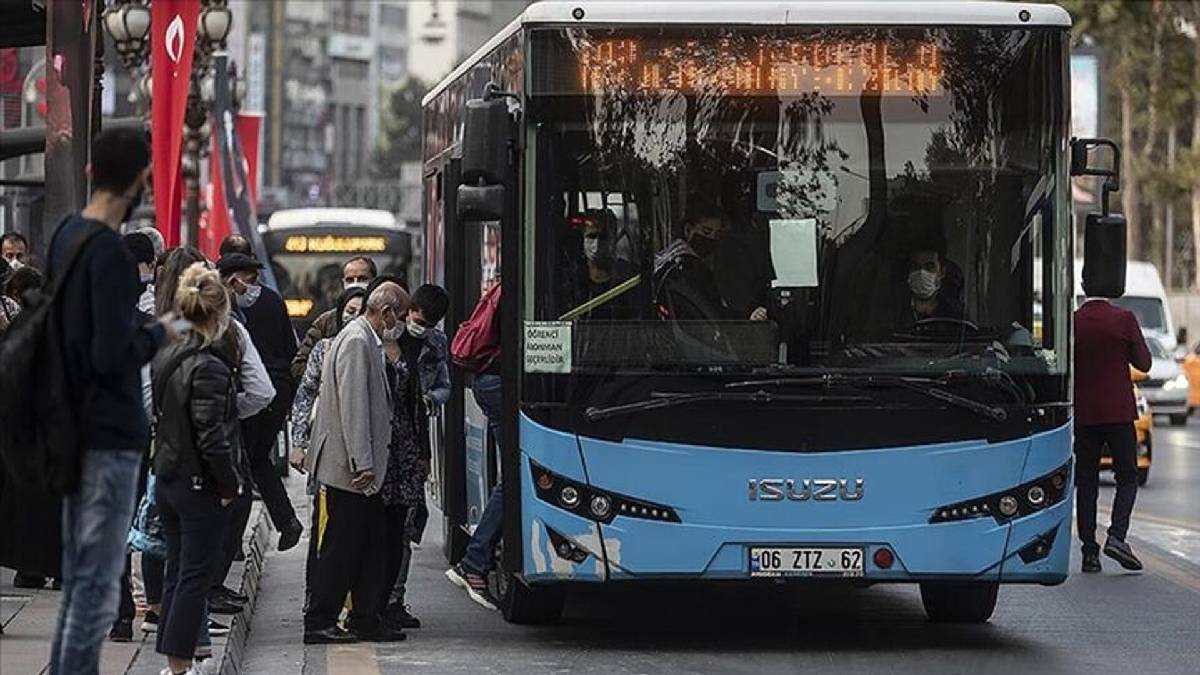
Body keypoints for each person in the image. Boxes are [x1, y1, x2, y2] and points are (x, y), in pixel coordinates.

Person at [46, 127, 176, 675]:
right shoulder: (112, 255)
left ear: (89, 171)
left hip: (70, 428)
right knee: (98, 590)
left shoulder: (65, 236)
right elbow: (111, 353)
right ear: (142, 178)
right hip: (109, 435)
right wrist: (160, 332)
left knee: (80, 584)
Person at [303, 281, 409, 645]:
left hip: (359, 468)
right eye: (400, 315)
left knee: (369, 544)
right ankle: (321, 619)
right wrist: (362, 461)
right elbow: (353, 406)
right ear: (387, 311)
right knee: (342, 546)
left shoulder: (365, 339)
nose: (401, 325)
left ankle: (365, 616)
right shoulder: (357, 341)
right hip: (351, 468)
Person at [152, 263, 243, 675]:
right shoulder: (209, 364)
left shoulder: (168, 353)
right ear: (219, 313)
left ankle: (174, 664)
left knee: (177, 571)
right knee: (193, 575)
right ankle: (180, 666)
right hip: (196, 482)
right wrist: (228, 483)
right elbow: (211, 434)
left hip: (169, 475)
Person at [216, 250, 304, 553]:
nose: (250, 286)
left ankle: (272, 527)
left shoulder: (236, 308)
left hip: (258, 393)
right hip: (272, 391)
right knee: (256, 460)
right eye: (247, 278)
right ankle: (285, 521)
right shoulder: (254, 302)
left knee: (248, 462)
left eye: (253, 279)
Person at [289, 285, 366, 609]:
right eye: (349, 312)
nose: (354, 319)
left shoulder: (379, 348)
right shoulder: (324, 348)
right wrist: (298, 444)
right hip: (328, 454)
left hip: (366, 458)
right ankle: (317, 598)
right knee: (324, 529)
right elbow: (304, 396)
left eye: (360, 313)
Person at [383, 283, 451, 627]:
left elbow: (444, 387)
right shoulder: (384, 338)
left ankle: (395, 600)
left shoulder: (436, 345)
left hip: (415, 442)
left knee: (405, 529)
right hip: (383, 443)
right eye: (415, 317)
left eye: (426, 323)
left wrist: (429, 399)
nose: (417, 325)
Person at [1074, 289, 1153, 573]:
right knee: (1128, 476)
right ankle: (1117, 537)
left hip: (1084, 414)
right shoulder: (1124, 319)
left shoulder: (1073, 322)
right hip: (1119, 413)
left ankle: (1089, 553)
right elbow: (1144, 363)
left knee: (1086, 482)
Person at [654, 203, 767, 322]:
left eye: (717, 234)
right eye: (706, 232)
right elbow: (712, 313)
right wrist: (747, 316)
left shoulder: (669, 256)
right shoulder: (689, 267)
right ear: (688, 230)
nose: (711, 239)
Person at [291, 256, 378, 380]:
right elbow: (298, 366)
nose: (355, 283)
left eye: (362, 279)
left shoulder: (384, 319)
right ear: (343, 283)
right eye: (349, 280)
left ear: (374, 281)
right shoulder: (325, 322)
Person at [561, 210, 638, 319]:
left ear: (614, 238)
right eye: (591, 237)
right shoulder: (571, 279)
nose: (596, 245)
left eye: (603, 237)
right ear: (582, 238)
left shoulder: (630, 278)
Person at [901, 232, 966, 324]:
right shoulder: (894, 311)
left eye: (929, 267)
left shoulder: (955, 316)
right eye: (916, 266)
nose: (922, 272)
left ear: (942, 272)